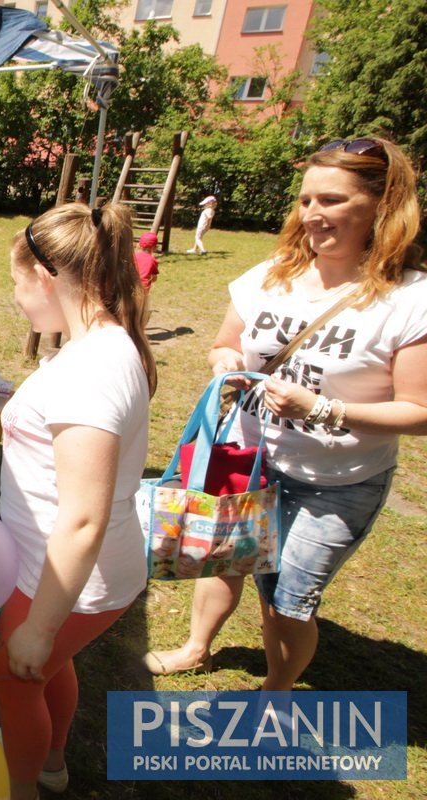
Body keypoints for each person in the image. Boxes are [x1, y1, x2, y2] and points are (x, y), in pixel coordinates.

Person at [143, 136, 427, 691]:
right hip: (249, 456)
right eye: (305, 201)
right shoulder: (273, 273)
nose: (313, 215)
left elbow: (419, 411)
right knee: (222, 554)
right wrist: (226, 360)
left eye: (332, 200)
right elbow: (226, 344)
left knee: (287, 596)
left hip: (336, 482)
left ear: (383, 205)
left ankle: (276, 687)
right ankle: (196, 648)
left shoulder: (409, 298)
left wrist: (322, 407)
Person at [0, 202, 156, 800]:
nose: (15, 297)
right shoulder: (102, 344)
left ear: (45, 276)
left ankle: (20, 788)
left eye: (15, 282)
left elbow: (82, 518)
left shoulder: (90, 369)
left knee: (11, 680)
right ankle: (53, 763)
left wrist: (41, 624)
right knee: (47, 670)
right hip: (69, 574)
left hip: (64, 579)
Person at [134, 231, 160, 325]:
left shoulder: (133, 256)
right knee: (142, 312)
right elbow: (154, 278)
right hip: (143, 290)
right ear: (154, 247)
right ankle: (138, 330)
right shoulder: (153, 260)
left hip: (131, 286)